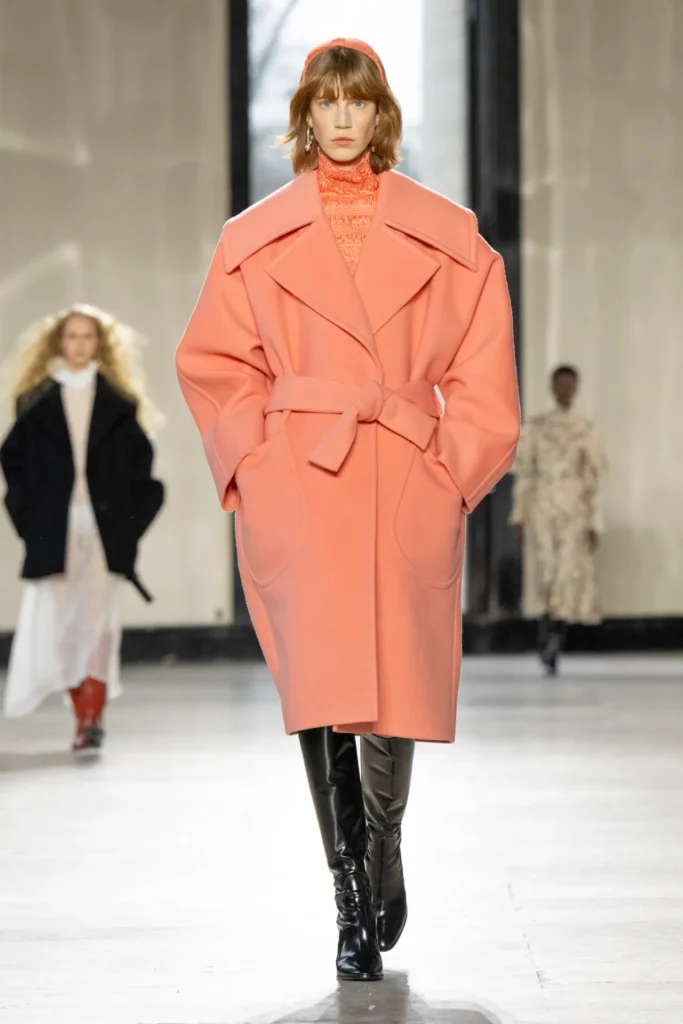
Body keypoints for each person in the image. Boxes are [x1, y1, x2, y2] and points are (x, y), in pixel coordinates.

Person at [176, 39, 520, 980]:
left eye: (355, 102)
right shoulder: (252, 239)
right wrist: (254, 464)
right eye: (323, 102)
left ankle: (383, 841)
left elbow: (483, 375)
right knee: (323, 689)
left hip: (405, 474)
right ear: (304, 115)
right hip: (303, 479)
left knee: (393, 687)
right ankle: (349, 895)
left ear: (379, 116)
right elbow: (213, 362)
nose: (339, 119)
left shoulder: (451, 238)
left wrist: (449, 472)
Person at [0, 305, 164, 751]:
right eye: (71, 336)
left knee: (99, 622)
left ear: (100, 344)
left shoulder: (119, 403)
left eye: (87, 336)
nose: (79, 344)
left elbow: (143, 475)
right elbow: (13, 467)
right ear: (59, 342)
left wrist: (129, 528)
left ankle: (91, 717)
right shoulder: (34, 403)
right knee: (64, 624)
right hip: (53, 529)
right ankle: (81, 714)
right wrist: (28, 520)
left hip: (105, 531)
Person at [511, 364, 606, 675]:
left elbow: (593, 480)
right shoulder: (536, 428)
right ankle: (546, 630)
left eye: (570, 384)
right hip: (542, 507)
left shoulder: (585, 429)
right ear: (552, 387)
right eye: (560, 384)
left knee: (567, 573)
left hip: (573, 510)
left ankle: (555, 638)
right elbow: (525, 474)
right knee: (546, 571)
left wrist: (595, 521)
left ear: (576, 388)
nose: (565, 390)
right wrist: (519, 516)